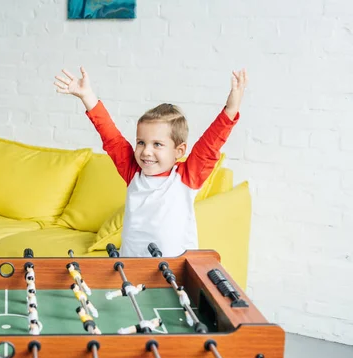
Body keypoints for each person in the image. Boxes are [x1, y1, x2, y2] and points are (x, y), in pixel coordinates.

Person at [54, 67, 248, 258]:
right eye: (141, 142)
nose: (146, 151)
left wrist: (231, 109)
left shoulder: (186, 178)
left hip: (175, 270)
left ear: (179, 151)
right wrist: (87, 97)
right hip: (131, 267)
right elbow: (111, 137)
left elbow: (210, 144)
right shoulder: (133, 172)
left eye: (157, 144)